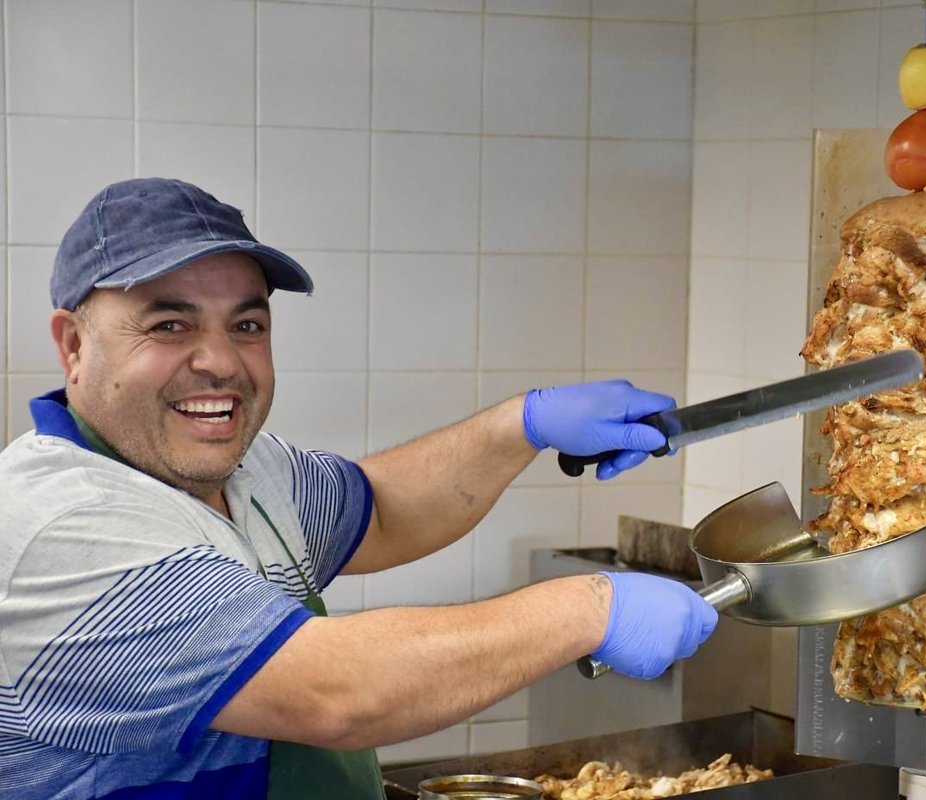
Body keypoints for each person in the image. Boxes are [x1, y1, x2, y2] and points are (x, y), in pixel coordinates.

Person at [0, 178, 718, 800]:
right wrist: (588, 607)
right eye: (168, 323)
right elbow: (339, 692)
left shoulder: (241, 472)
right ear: (72, 346)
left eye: (246, 324)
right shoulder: (64, 525)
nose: (220, 361)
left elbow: (380, 510)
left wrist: (524, 424)